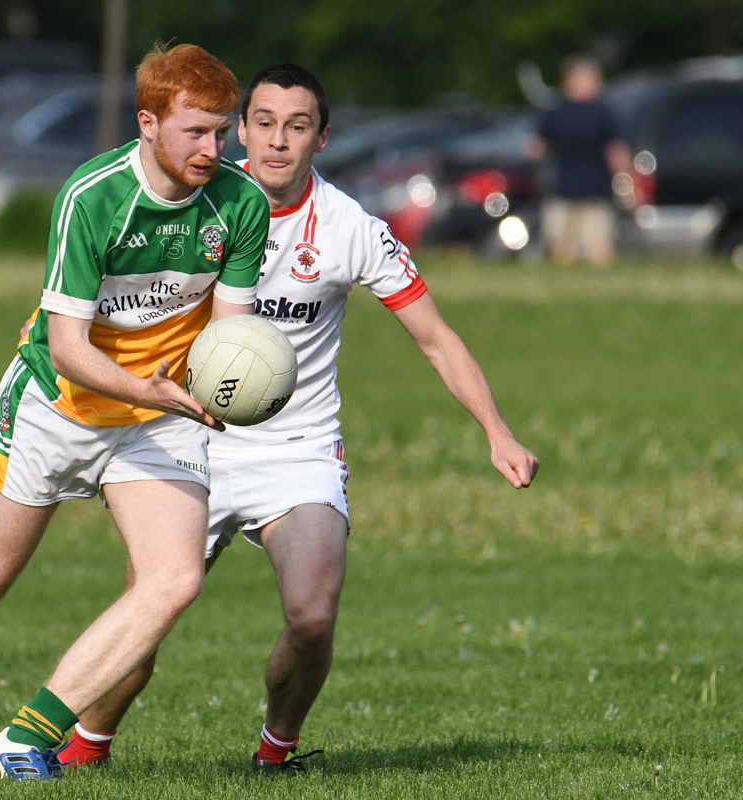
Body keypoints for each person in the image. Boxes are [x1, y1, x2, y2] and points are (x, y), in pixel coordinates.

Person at [55, 63, 540, 772]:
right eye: (264, 123)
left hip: (298, 446)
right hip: (188, 437)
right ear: (241, 128)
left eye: (298, 126)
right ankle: (84, 750)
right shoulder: (196, 202)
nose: (278, 141)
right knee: (149, 610)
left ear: (322, 138)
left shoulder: (350, 228)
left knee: (313, 616)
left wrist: (497, 431)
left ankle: (275, 753)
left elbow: (436, 338)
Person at [0, 43, 270, 781]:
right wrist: (154, 389)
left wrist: (227, 387)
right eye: (195, 131)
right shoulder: (92, 197)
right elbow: (69, 347)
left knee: (173, 581)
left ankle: (23, 743)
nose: (214, 148)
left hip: (156, 419)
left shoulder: (241, 203)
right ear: (148, 123)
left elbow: (231, 336)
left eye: (222, 131)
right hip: (58, 404)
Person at [528, 54, 633, 266]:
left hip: (571, 192)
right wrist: (630, 188)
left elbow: (534, 150)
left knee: (568, 251)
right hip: (583, 192)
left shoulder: (554, 113)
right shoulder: (603, 114)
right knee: (595, 250)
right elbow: (618, 155)